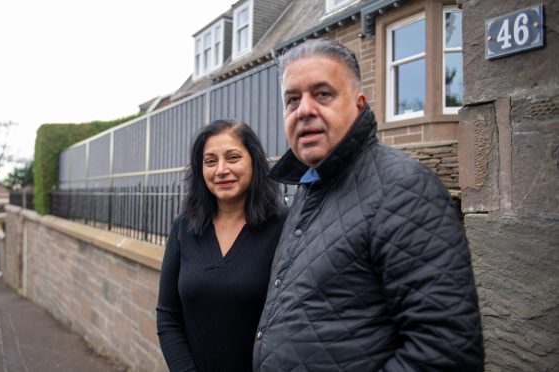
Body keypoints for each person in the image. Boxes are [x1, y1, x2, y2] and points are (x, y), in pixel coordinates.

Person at [253, 38, 484, 371]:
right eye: (292, 100)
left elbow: (445, 352)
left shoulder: (404, 189)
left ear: (359, 105)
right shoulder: (309, 188)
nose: (303, 110)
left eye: (322, 94)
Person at [157, 119, 286, 372]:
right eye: (210, 161)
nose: (221, 170)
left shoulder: (284, 226)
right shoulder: (183, 227)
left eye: (233, 157)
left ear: (254, 162)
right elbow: (168, 316)